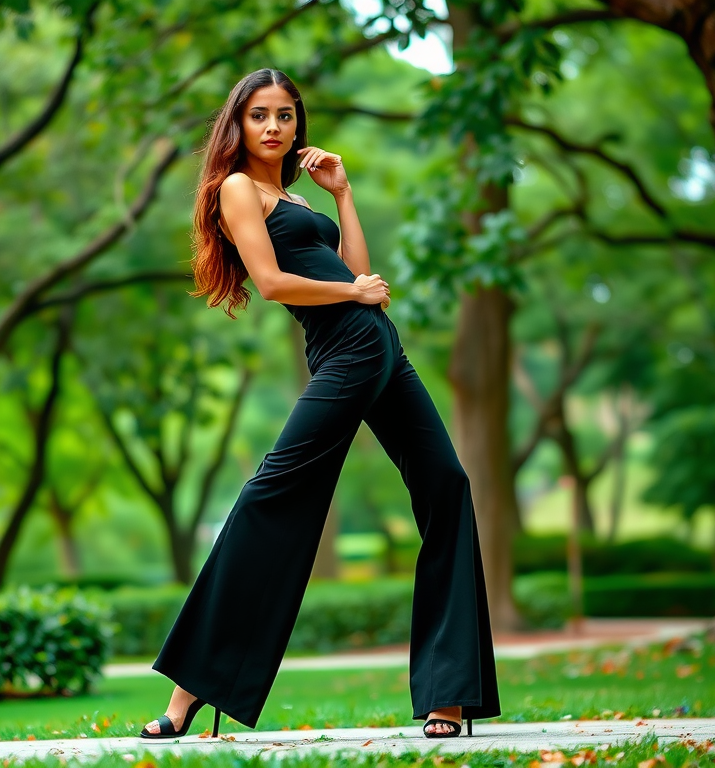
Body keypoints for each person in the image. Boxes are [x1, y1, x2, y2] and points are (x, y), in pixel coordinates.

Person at [140, 68, 501, 741]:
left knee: (447, 486)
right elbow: (274, 283)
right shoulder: (238, 190)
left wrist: (343, 194)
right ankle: (191, 686)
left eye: (284, 115)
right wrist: (354, 297)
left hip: (378, 345)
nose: (274, 127)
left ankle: (448, 696)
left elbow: (360, 272)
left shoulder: (297, 195)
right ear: (238, 124)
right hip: (346, 351)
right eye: (259, 115)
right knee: (271, 495)